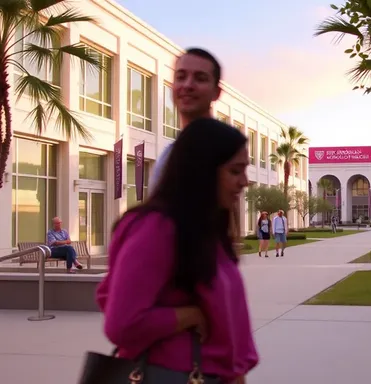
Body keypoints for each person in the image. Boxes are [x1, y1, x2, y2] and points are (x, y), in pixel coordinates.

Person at [96, 118, 257, 383]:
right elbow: (121, 324)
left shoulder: (205, 231)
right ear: (204, 171)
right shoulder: (156, 229)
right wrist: (186, 315)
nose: (244, 181)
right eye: (235, 171)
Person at [148, 47, 223, 192]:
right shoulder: (168, 157)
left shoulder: (225, 152)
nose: (188, 85)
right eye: (181, 77)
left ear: (216, 92)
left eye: (200, 78)